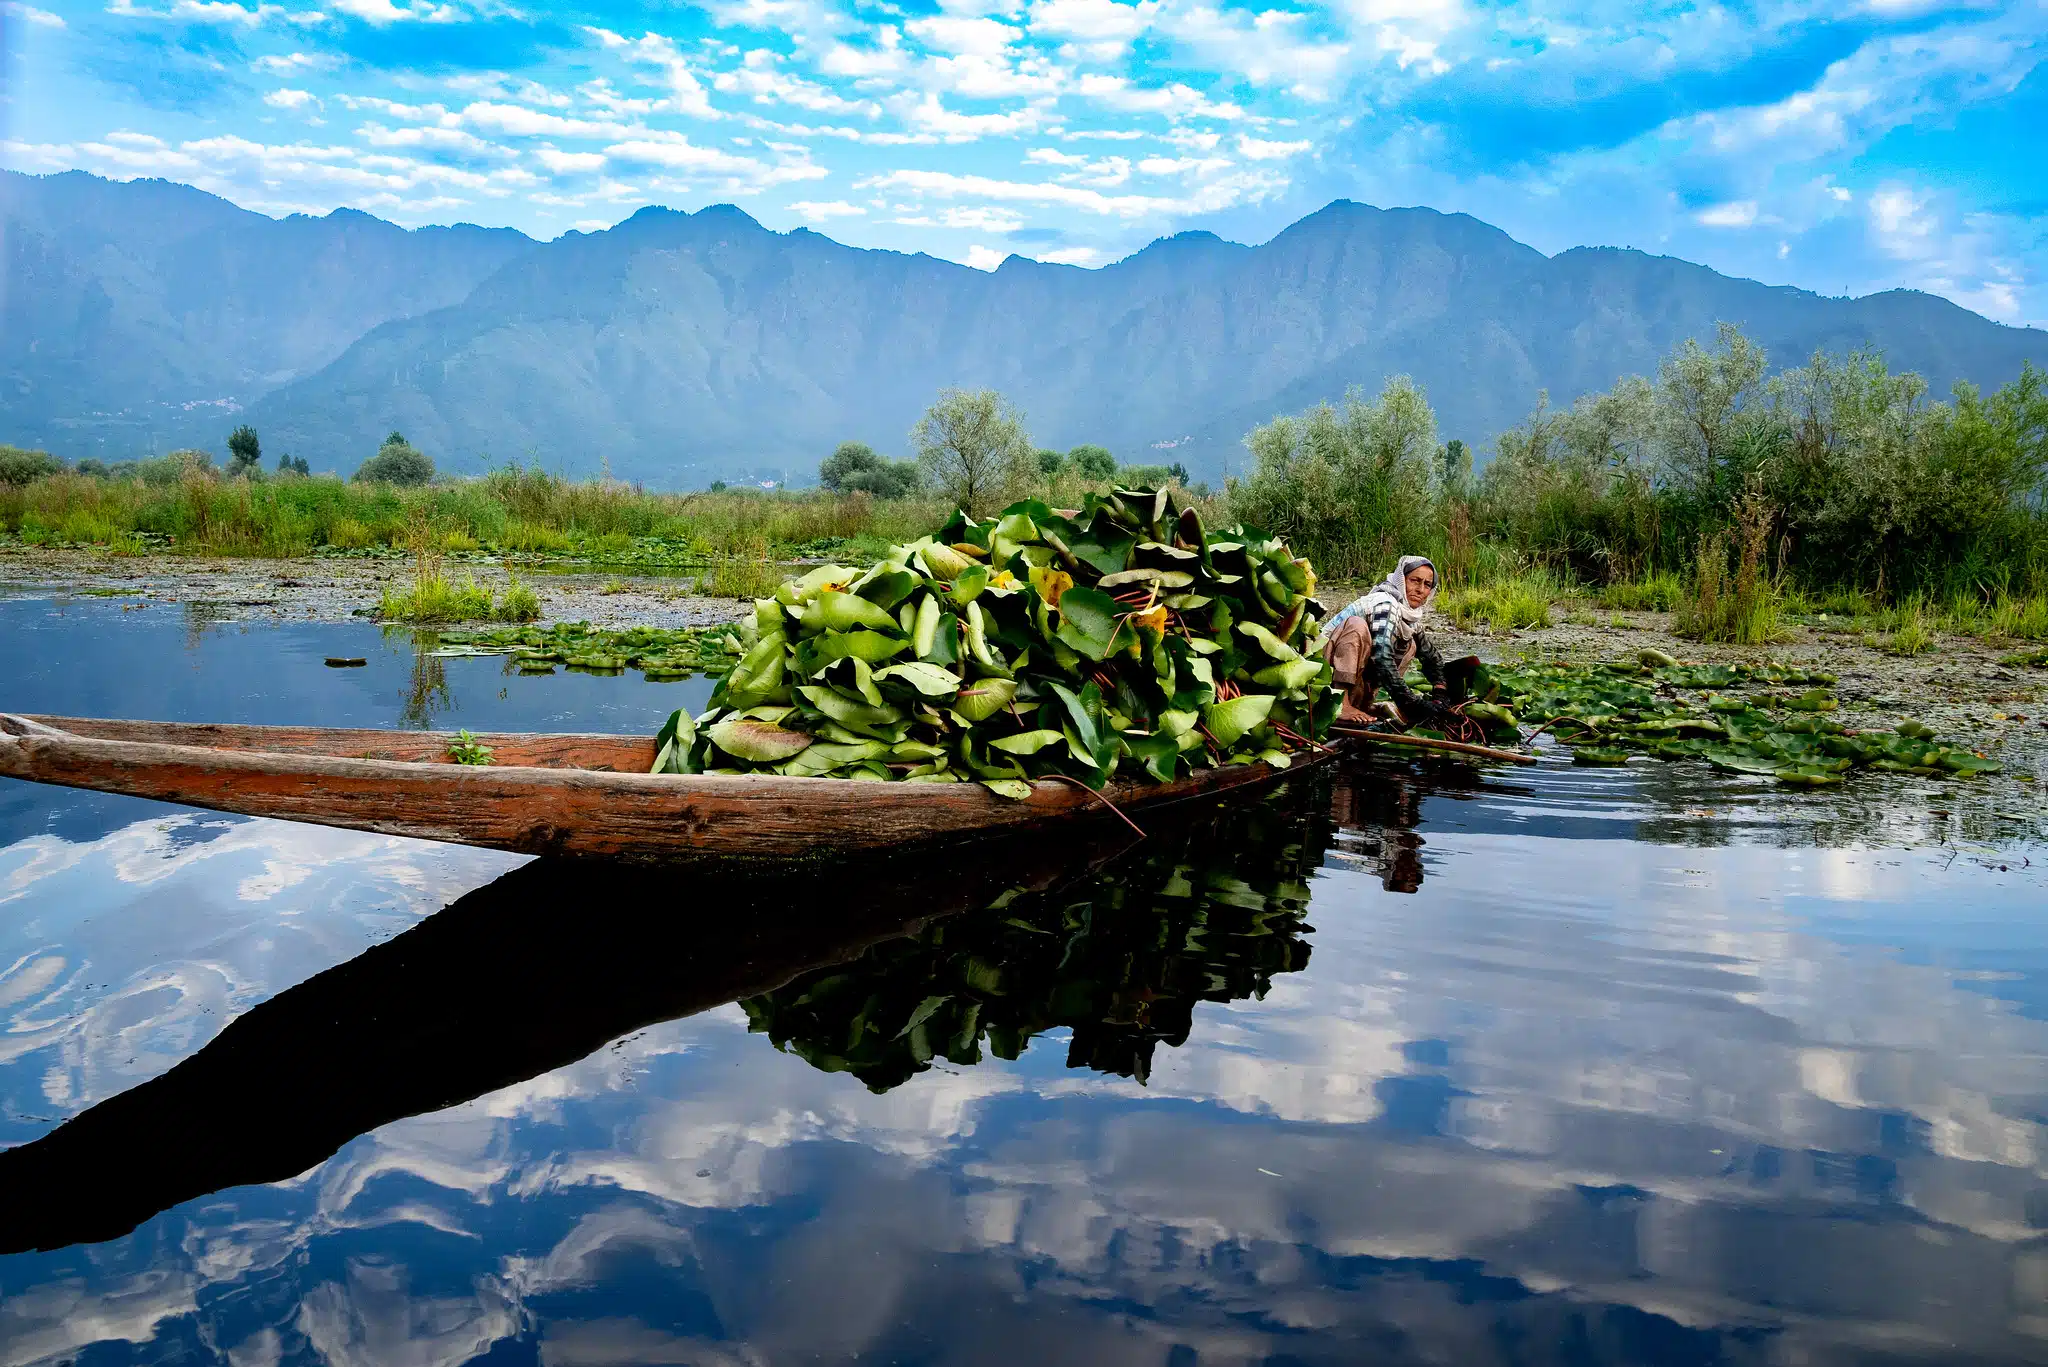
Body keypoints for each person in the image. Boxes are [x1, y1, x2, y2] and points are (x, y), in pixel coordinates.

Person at [1320, 555, 1472, 727]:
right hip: (1323, 678)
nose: (1420, 589)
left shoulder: (1409, 617)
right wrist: (1410, 702)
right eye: (1415, 580)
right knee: (1357, 626)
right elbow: (1382, 658)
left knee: (1410, 645)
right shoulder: (1385, 603)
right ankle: (1341, 704)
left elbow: (1430, 657)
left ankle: (1363, 703)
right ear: (1401, 580)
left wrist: (1440, 692)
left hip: (1358, 682)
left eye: (1427, 584)